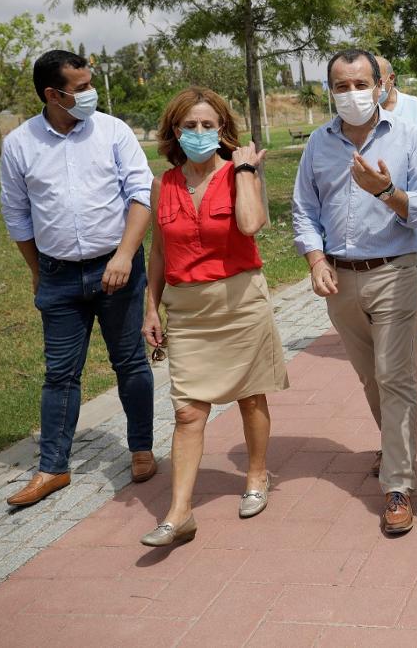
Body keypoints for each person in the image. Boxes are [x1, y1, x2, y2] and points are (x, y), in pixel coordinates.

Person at [0, 49, 156, 507]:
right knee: (60, 374)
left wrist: (125, 255)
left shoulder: (113, 131)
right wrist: (38, 272)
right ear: (53, 94)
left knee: (130, 363)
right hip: (59, 277)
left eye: (90, 84)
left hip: (118, 269)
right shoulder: (20, 143)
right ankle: (52, 468)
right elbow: (17, 214)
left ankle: (142, 448)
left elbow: (141, 194)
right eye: (81, 87)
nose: (90, 94)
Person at [292, 49, 417, 535]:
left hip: (395, 271)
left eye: (359, 84)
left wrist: (385, 192)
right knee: (371, 377)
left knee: (395, 377)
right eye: (340, 85)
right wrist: (315, 260)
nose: (350, 94)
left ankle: (398, 485)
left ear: (380, 85)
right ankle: (397, 448)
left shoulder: (408, 135)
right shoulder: (318, 143)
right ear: (328, 91)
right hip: (339, 278)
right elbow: (303, 210)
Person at [138, 87, 288, 547]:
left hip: (240, 302)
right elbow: (160, 251)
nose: (199, 134)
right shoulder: (162, 184)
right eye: (190, 126)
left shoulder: (241, 173)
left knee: (249, 396)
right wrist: (150, 306)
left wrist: (245, 169)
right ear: (174, 131)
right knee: (187, 412)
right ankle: (180, 513)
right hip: (187, 310)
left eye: (208, 125)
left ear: (222, 130)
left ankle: (257, 474)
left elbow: (248, 224)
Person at [377, 56, 417, 351]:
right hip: (376, 206)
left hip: (411, 203)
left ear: (390, 79)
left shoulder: (413, 107)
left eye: (376, 79)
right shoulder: (363, 113)